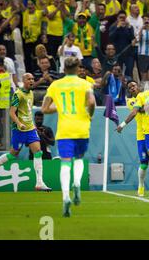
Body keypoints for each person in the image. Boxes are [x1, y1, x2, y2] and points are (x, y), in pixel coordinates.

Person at [41, 57, 96, 217]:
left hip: (64, 129)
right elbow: (91, 102)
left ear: (64, 69)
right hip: (81, 128)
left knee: (65, 162)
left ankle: (65, 196)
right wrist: (89, 115)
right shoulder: (85, 84)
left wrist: (60, 106)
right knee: (79, 159)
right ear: (78, 68)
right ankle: (77, 182)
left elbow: (44, 108)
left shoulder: (55, 85)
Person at [0, 73, 52, 192]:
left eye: (32, 79)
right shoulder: (18, 94)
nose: (31, 81)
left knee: (38, 152)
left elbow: (27, 112)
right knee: (13, 154)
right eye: (29, 79)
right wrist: (19, 123)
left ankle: (39, 182)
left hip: (30, 129)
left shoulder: (31, 93)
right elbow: (12, 112)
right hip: (19, 130)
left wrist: (32, 125)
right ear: (24, 81)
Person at [125, 80, 149, 197]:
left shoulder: (145, 96)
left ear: (138, 86)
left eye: (134, 86)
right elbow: (142, 109)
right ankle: (141, 185)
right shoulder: (130, 102)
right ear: (129, 91)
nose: (132, 88)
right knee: (144, 163)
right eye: (130, 88)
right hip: (141, 135)